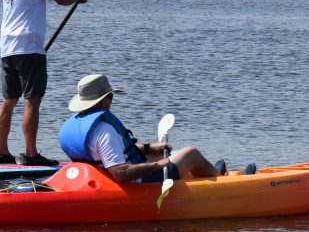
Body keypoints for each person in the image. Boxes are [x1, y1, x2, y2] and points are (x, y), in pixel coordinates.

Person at [1, 0, 88, 166]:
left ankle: (2, 151)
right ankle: (30, 155)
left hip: (7, 46)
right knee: (32, 99)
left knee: (8, 100)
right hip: (29, 46)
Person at [59, 73, 229, 183]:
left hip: (101, 177)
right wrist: (155, 166)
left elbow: (106, 153)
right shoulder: (104, 130)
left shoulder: (79, 125)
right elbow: (120, 173)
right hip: (134, 181)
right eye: (110, 97)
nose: (111, 101)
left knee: (161, 153)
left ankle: (204, 175)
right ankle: (224, 185)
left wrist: (149, 148)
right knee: (191, 153)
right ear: (103, 101)